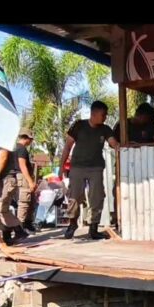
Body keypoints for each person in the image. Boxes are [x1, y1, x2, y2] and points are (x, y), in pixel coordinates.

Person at [60, 101, 119, 240]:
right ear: (94, 113)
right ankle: (72, 224)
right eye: (103, 114)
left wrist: (119, 147)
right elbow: (67, 146)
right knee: (74, 196)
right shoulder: (78, 125)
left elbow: (113, 143)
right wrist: (61, 166)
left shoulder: (105, 129)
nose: (105, 117)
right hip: (77, 167)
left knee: (97, 197)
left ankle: (93, 228)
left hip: (96, 168)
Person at [15, 130, 37, 232]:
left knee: (30, 201)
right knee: (24, 202)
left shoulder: (16, 148)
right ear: (26, 138)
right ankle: (20, 226)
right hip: (23, 177)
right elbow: (22, 165)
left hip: (23, 177)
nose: (31, 141)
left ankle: (28, 223)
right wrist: (30, 181)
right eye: (30, 139)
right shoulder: (21, 149)